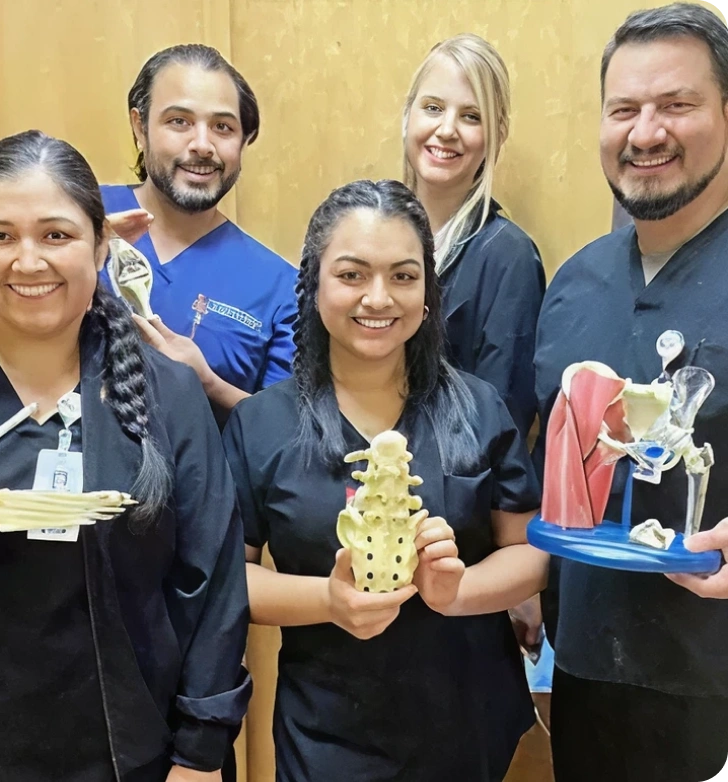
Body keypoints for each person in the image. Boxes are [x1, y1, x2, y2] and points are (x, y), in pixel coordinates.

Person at [0, 130, 250, 782]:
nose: (27, 261)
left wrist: (200, 752)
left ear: (103, 243)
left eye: (55, 235)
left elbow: (212, 586)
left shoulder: (168, 394)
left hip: (133, 754)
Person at [223, 179, 547, 781]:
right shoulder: (260, 425)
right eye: (351, 275)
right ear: (314, 285)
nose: (379, 298)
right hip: (325, 735)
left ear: (427, 292)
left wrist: (459, 591)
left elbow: (530, 551)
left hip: (466, 725)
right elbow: (229, 581)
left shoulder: (478, 409)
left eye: (403, 275)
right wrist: (327, 599)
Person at [533, 5, 728, 780]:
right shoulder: (573, 285)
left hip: (714, 691)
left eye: (676, 105)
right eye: (624, 110)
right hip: (586, 676)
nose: (646, 133)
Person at [0, 44, 298, 417]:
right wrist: (67, 238)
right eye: (178, 121)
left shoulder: (279, 287)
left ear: (243, 140)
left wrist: (207, 383)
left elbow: (287, 438)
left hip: (196, 470)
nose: (202, 145)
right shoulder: (66, 215)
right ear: (140, 127)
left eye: (222, 127)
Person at [401, 34, 545, 440]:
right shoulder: (370, 234)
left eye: (471, 116)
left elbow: (502, 421)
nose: (446, 130)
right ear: (408, 116)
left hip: (452, 493)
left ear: (495, 135)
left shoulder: (508, 257)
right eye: (432, 108)